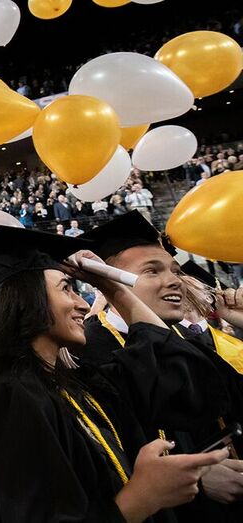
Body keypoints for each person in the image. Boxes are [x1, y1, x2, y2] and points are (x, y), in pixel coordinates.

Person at [0, 225, 230, 523]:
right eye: (67, 288)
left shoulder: (77, 383)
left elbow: (183, 381)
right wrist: (142, 497)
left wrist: (112, 287)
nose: (83, 303)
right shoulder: (8, 397)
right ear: (27, 299)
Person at [79, 212, 243, 520]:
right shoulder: (89, 353)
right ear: (108, 281)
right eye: (152, 271)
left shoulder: (186, 339)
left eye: (175, 271)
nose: (174, 281)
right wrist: (197, 479)